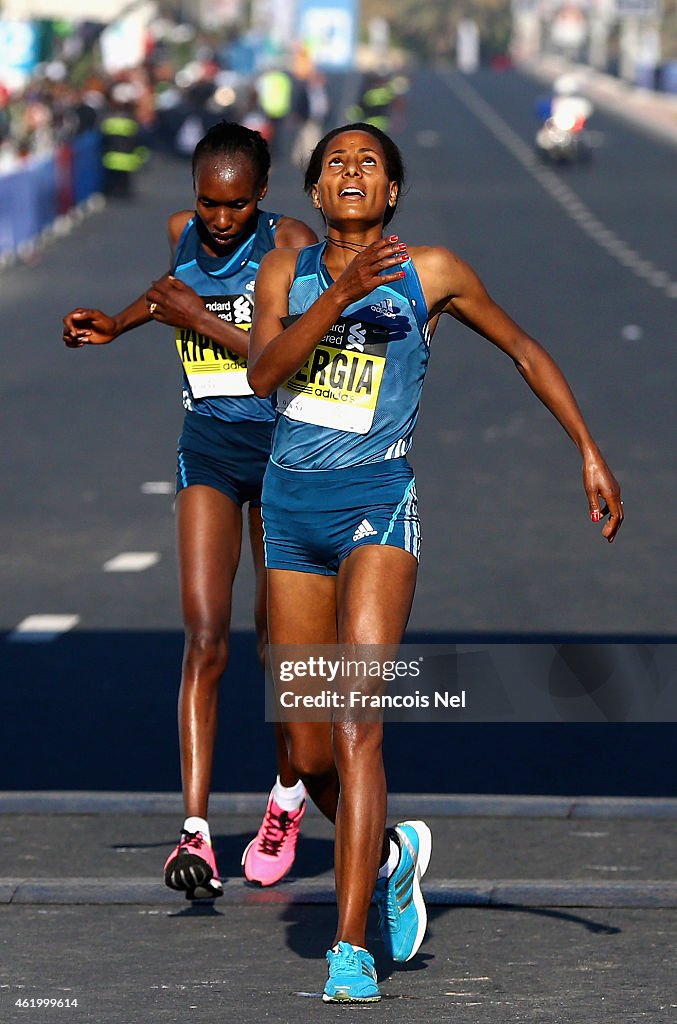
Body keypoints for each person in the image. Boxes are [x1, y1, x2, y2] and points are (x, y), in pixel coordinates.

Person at [247, 122, 624, 1002]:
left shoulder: (434, 272)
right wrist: (334, 294)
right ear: (313, 192)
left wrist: (588, 449)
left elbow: (526, 350)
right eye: (334, 162)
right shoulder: (285, 273)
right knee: (305, 752)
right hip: (290, 511)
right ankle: (391, 852)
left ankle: (350, 949)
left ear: (392, 195)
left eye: (368, 163)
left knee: (354, 723)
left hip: (376, 505)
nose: (350, 171)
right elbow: (264, 373)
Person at [62, 122, 318, 896]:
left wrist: (204, 324)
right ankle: (196, 833)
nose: (217, 220)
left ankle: (284, 800)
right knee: (205, 635)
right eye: (207, 203)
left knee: (280, 650)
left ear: (261, 196)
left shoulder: (291, 244)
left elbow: (296, 355)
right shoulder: (182, 232)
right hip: (207, 446)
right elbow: (167, 292)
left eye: (234, 206)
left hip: (283, 456)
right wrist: (117, 321)